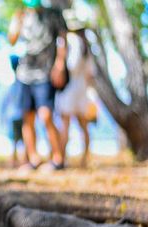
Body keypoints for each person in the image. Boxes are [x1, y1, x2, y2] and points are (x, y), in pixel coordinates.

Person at [8, 0, 68, 171]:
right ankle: (33, 158)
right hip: (24, 73)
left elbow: (63, 40)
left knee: (46, 115)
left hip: (45, 72)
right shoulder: (20, 14)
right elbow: (11, 40)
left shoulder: (54, 14)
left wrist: (60, 64)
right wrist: (16, 23)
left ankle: (58, 159)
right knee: (28, 116)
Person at [56, 18, 95, 168]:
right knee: (83, 126)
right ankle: (85, 158)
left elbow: (72, 65)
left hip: (70, 88)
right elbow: (91, 73)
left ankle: (62, 158)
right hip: (82, 89)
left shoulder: (71, 41)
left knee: (65, 124)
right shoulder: (86, 44)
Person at [0, 55, 26, 168]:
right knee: (18, 140)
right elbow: (5, 103)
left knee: (18, 140)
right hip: (17, 114)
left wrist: (3, 116)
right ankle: (18, 161)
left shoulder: (15, 83)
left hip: (16, 114)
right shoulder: (16, 84)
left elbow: (4, 103)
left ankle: (18, 161)